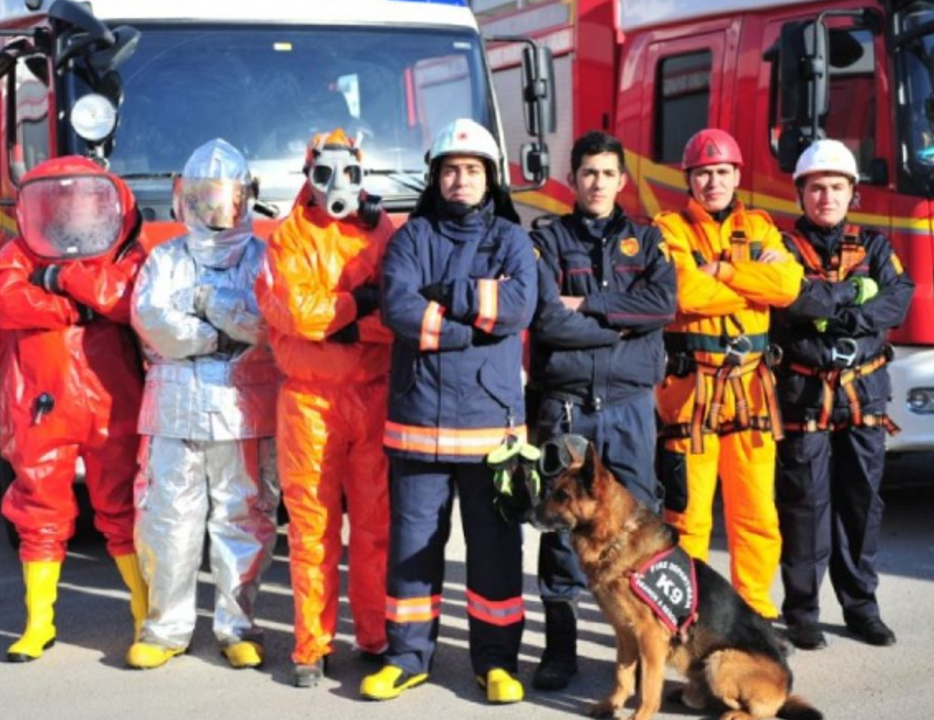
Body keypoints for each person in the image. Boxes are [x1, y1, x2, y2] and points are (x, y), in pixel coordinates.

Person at [360, 118, 536, 704]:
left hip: (491, 428)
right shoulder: (410, 237)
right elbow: (399, 310)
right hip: (418, 425)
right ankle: (407, 656)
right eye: (451, 170)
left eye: (473, 170)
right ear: (436, 177)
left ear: (490, 179)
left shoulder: (512, 237)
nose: (461, 179)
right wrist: (471, 327)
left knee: (495, 553)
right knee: (412, 550)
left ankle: (496, 662)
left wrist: (448, 296)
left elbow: (515, 308)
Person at [0, 155, 149, 662]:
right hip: (42, 407)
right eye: (63, 203)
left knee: (123, 510)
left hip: (109, 404)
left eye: (83, 202)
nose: (73, 213)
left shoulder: (122, 253)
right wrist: (67, 306)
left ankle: (145, 616)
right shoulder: (23, 251)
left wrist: (61, 279)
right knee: (39, 512)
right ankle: (38, 624)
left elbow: (124, 300)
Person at [527, 130, 677, 690]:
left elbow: (662, 304)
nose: (597, 182)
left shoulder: (648, 240)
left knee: (640, 526)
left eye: (607, 173)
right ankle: (560, 651)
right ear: (574, 178)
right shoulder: (545, 240)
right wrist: (621, 327)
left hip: (630, 408)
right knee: (560, 525)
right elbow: (546, 319)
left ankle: (647, 652)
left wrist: (589, 305)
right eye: (588, 172)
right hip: (567, 410)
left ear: (622, 180)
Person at [125, 139, 281, 670]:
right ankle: (165, 629)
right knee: (167, 519)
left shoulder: (265, 258)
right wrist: (217, 337)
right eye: (204, 199)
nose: (215, 212)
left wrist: (206, 300)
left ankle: (238, 627)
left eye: (226, 200)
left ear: (247, 200)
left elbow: (263, 323)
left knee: (245, 519)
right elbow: (154, 323)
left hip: (245, 412)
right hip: (173, 412)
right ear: (184, 200)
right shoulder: (165, 257)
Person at [255, 128, 393, 688]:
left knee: (374, 525)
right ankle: (311, 645)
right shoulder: (288, 236)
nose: (339, 185)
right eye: (327, 172)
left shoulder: (380, 232)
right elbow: (294, 313)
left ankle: (375, 634)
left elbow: (400, 313)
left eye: (349, 173)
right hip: (309, 401)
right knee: (312, 528)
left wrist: (343, 324)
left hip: (371, 395)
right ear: (310, 175)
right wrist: (360, 305)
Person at [652, 129, 803, 621]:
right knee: (688, 516)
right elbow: (684, 294)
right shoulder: (668, 229)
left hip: (752, 391)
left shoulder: (760, 226)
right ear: (688, 178)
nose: (712, 181)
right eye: (703, 173)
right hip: (690, 392)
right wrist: (748, 278)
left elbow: (786, 285)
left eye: (721, 172)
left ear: (737, 175)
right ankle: (688, 614)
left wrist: (720, 271)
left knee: (756, 512)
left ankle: (755, 612)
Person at [771, 139, 913, 650]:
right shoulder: (783, 250)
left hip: (864, 399)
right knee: (804, 506)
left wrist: (836, 313)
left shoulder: (875, 247)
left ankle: (861, 608)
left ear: (852, 192)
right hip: (806, 396)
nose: (826, 196)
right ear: (801, 194)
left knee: (860, 505)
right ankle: (803, 612)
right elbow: (790, 300)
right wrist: (853, 293)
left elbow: (897, 300)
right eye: (816, 188)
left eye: (836, 187)